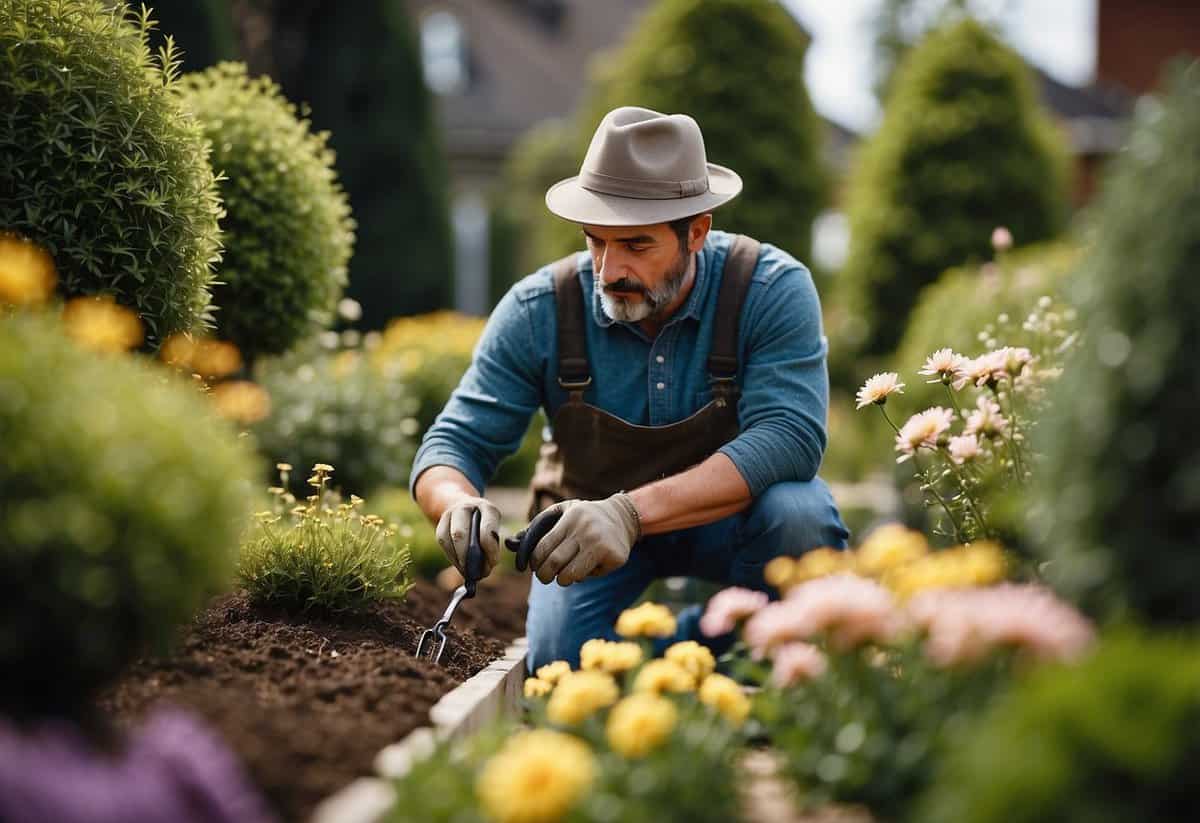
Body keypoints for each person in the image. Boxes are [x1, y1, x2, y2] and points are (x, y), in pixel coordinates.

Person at [411, 106, 849, 670]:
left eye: (636, 246)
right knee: (559, 665)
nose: (609, 269)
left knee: (799, 514)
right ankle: (696, 653)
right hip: (581, 540)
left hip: (732, 527)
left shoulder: (768, 288)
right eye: (597, 241)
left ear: (697, 230)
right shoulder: (539, 309)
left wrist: (628, 513)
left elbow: (790, 437)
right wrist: (456, 502)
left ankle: (734, 648)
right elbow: (452, 443)